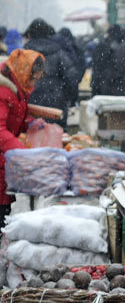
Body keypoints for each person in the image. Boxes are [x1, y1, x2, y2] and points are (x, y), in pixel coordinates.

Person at [0, 49, 45, 226]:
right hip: (4, 154)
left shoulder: (19, 85)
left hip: (4, 159)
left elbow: (15, 116)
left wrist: (30, 124)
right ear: (23, 71)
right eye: (32, 78)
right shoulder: (3, 90)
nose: (33, 82)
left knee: (4, 211)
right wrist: (21, 151)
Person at [23, 18, 78, 128]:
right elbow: (71, 77)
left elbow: (16, 78)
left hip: (30, 102)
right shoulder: (58, 51)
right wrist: (68, 98)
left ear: (30, 33)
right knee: (55, 138)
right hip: (56, 103)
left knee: (31, 138)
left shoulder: (24, 53)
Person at [90, 24, 125, 96]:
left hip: (103, 83)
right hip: (113, 85)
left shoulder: (105, 45)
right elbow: (118, 67)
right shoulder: (121, 47)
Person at [52, 27, 86, 105]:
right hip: (72, 86)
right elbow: (82, 66)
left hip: (58, 89)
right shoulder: (76, 48)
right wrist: (77, 79)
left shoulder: (56, 48)